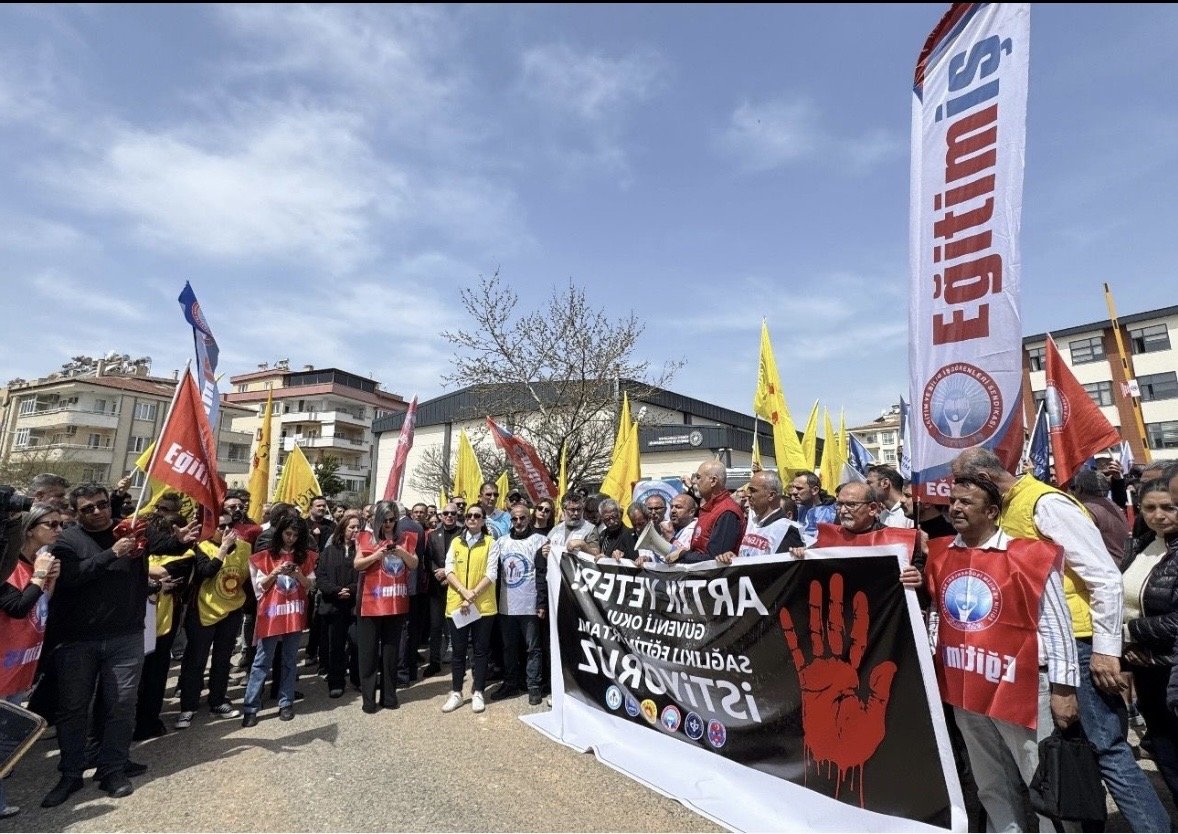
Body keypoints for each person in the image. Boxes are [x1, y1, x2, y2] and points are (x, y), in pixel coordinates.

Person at [951, 447, 1170, 832]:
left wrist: (1105, 651)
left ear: (984, 480)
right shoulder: (1009, 507)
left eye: (962, 485)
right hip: (1045, 648)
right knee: (1068, 753)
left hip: (1079, 640)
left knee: (1106, 750)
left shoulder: (1046, 505)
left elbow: (1104, 577)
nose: (955, 496)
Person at [925, 476, 1080, 832]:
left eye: (966, 502)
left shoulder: (1028, 556)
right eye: (954, 501)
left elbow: (1057, 625)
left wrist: (1064, 688)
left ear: (992, 511)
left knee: (1041, 781)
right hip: (965, 689)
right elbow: (938, 614)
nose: (956, 508)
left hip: (1022, 688)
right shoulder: (940, 554)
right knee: (990, 783)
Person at [42, 484, 145, 806]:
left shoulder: (128, 530)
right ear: (76, 513)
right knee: (73, 709)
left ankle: (112, 768)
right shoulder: (67, 541)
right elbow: (71, 578)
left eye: (102, 504)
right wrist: (111, 553)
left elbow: (161, 546)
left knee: (121, 705)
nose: (98, 512)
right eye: (88, 508)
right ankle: (71, 773)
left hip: (125, 635)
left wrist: (179, 538)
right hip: (78, 640)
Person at [0, 504, 62, 820]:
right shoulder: (8, 566)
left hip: (19, 663)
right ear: (28, 529)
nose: (58, 530)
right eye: (52, 524)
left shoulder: (35, 563)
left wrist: (47, 583)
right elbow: (17, 608)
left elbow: (39, 609)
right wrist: (38, 576)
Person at [1119, 479, 1178, 804]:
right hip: (1147, 670)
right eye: (1150, 507)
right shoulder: (1142, 546)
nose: (1159, 515)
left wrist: (1129, 632)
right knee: (1168, 758)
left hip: (1172, 670)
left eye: (1168, 507)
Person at [175, 512, 249, 729]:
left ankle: (217, 700)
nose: (226, 531)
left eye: (229, 526)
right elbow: (205, 572)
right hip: (204, 612)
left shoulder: (245, 548)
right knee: (196, 660)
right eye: (220, 527)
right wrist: (223, 549)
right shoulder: (201, 548)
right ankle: (188, 707)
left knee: (222, 659)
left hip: (231, 611)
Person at [241, 514, 317, 726]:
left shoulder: (305, 556)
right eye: (287, 533)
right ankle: (251, 706)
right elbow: (260, 586)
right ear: (280, 533)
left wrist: (298, 574)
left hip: (293, 612)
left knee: (290, 659)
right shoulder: (265, 556)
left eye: (295, 535)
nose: (291, 538)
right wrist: (274, 572)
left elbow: (309, 585)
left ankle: (286, 702)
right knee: (262, 660)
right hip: (272, 614)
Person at [134, 505, 199, 740]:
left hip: (162, 623)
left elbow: (165, 573)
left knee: (156, 675)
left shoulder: (186, 554)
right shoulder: (144, 551)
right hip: (136, 621)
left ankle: (147, 721)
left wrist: (141, 568)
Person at [353, 501, 417, 713]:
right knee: (368, 654)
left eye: (392, 520)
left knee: (391, 654)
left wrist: (400, 551)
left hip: (395, 603)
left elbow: (414, 564)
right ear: (377, 519)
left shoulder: (405, 538)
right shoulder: (365, 537)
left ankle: (389, 696)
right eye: (386, 520)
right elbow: (358, 564)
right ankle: (368, 699)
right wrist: (377, 555)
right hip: (370, 604)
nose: (389, 524)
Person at [488, 504, 547, 705]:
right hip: (506, 606)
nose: (519, 522)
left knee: (533, 648)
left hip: (530, 606)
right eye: (514, 519)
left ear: (529, 518)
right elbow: (492, 573)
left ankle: (533, 686)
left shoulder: (539, 541)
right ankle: (511, 683)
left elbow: (542, 574)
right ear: (510, 520)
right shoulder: (501, 542)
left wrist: (541, 603)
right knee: (508, 647)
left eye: (522, 518)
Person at [441, 505, 497, 714]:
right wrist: (465, 593)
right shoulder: (456, 541)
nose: (472, 519)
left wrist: (472, 595)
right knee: (458, 651)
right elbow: (449, 569)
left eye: (477, 516)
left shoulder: (491, 543)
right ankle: (456, 691)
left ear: (483, 520)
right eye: (469, 516)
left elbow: (491, 574)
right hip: (458, 605)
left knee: (481, 651)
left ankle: (479, 691)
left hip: (482, 606)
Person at [316, 511, 361, 699]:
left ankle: (358, 679)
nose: (356, 531)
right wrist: (335, 591)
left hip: (354, 605)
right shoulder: (329, 551)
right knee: (336, 645)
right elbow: (321, 576)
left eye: (358, 527)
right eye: (352, 527)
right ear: (343, 529)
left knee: (357, 643)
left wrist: (350, 590)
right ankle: (336, 681)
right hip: (334, 606)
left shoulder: (361, 551)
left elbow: (364, 576)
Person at [666, 460, 745, 564]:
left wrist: (682, 555)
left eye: (698, 477)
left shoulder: (727, 512)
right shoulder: (708, 508)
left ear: (713, 481)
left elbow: (715, 559)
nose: (694, 481)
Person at [718, 470, 803, 563]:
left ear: (771, 495)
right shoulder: (752, 523)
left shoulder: (787, 529)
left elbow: (784, 571)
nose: (748, 494)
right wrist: (736, 560)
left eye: (753, 490)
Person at [426, 503, 463, 676]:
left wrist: (448, 574)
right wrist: (437, 573)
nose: (449, 516)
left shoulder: (463, 534)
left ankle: (459, 661)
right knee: (435, 627)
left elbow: (464, 559)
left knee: (458, 625)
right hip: (437, 587)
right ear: (441, 516)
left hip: (456, 587)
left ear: (457, 515)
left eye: (453, 513)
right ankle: (434, 662)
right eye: (446, 513)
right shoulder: (433, 535)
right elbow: (429, 558)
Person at [1071, 469, 1130, 568]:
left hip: (1111, 569)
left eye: (1074, 488)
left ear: (1080, 488)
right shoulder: (1110, 503)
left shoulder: (1087, 510)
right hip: (1123, 564)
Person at [789, 472, 837, 545]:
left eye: (799, 488)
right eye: (793, 487)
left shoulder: (827, 512)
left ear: (815, 490)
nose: (794, 492)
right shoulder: (801, 508)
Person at [866, 465, 914, 529]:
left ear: (885, 483)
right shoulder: (882, 515)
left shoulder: (910, 514)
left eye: (869, 483)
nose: (866, 487)